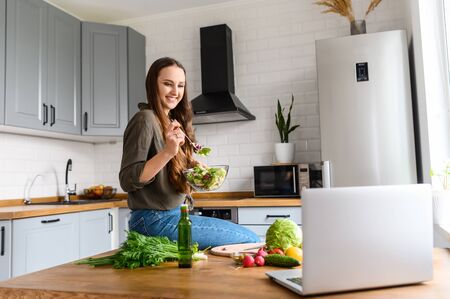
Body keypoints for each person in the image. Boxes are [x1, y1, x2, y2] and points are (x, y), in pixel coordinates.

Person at [119, 57, 260, 249]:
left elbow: (166, 167)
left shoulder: (170, 121)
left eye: (180, 85)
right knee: (251, 240)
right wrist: (168, 152)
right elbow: (128, 179)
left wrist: (192, 167)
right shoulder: (145, 119)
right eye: (168, 84)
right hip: (153, 220)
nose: (175, 92)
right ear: (153, 85)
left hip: (176, 214)